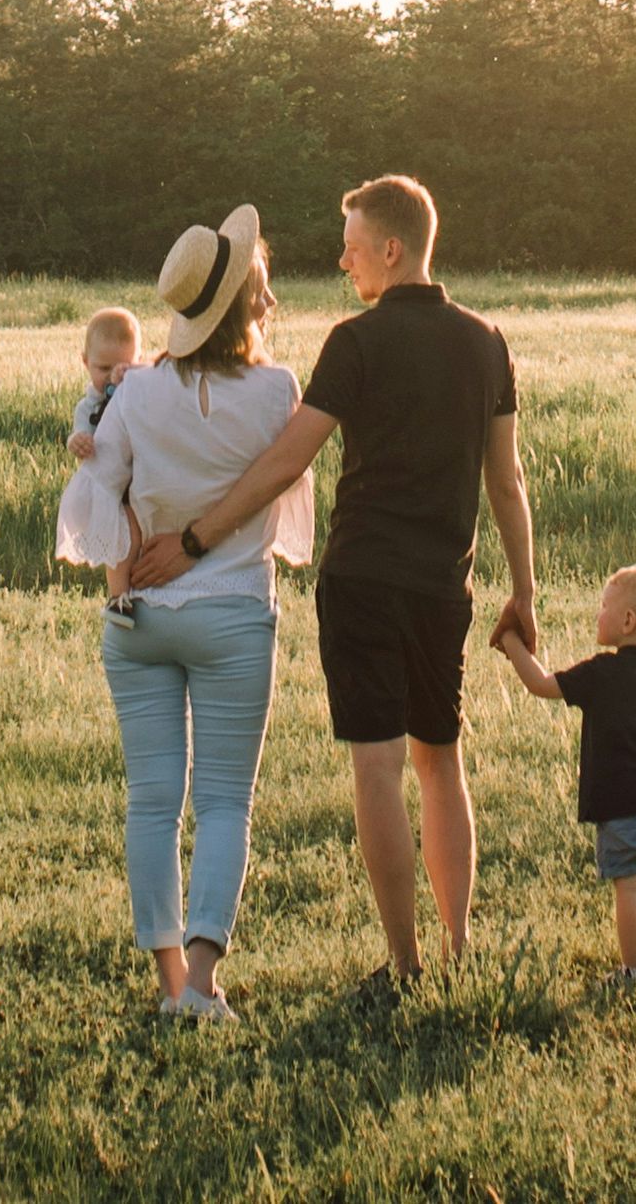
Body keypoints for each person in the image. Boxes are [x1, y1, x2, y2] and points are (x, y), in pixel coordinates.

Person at [116, 172, 531, 992]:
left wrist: (197, 537)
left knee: (377, 765)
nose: (344, 264)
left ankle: (404, 965)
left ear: (390, 247)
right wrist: (523, 587)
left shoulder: (356, 341)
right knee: (441, 762)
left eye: (351, 248)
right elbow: (507, 481)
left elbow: (284, 461)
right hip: (447, 585)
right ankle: (459, 949)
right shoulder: (488, 342)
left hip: (364, 580)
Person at [55, 208, 314, 1019]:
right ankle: (201, 985)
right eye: (262, 293)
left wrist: (124, 565)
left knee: (152, 800)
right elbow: (282, 488)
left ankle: (170, 984)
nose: (270, 305)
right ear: (241, 306)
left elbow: (102, 490)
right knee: (226, 800)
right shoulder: (278, 392)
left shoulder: (134, 391)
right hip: (234, 614)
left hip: (140, 620)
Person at [493, 563, 636, 983]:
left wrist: (511, 642)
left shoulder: (601, 673)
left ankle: (634, 971)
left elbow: (542, 684)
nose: (597, 613)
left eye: (604, 606)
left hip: (624, 809)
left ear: (628, 621)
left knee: (628, 888)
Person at [68, 306, 142, 469]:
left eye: (124, 367)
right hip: (104, 480)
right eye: (104, 368)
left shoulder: (142, 399)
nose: (113, 375)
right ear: (86, 363)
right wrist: (77, 441)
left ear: (139, 362)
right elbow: (82, 432)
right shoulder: (88, 408)